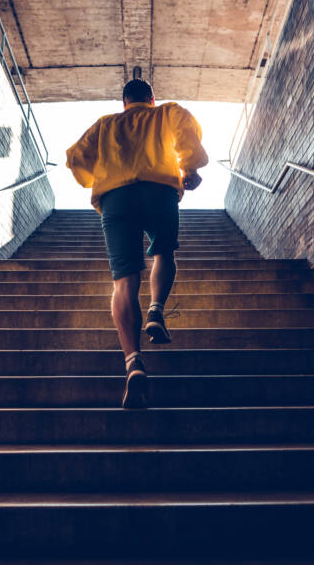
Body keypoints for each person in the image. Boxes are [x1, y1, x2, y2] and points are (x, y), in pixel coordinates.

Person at [66, 78, 209, 409]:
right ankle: (156, 311)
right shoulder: (166, 113)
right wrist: (188, 168)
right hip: (159, 191)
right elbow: (188, 133)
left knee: (123, 284)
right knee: (163, 253)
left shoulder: (106, 125)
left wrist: (98, 173)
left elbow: (76, 159)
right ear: (152, 99)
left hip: (116, 198)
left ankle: (133, 363)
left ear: (124, 103)